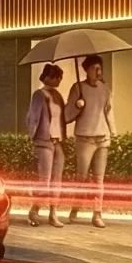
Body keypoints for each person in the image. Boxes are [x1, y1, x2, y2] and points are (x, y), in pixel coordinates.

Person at [64, 54, 115, 228]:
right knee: (82, 178)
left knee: (99, 179)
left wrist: (113, 132)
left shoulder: (105, 89)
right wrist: (77, 106)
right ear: (86, 70)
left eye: (100, 68)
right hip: (85, 139)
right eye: (94, 68)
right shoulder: (78, 88)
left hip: (102, 138)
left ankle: (97, 214)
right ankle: (75, 208)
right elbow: (66, 115)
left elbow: (109, 112)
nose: (98, 71)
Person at [25, 63, 68, 226]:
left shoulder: (57, 96)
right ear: (48, 77)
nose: (59, 80)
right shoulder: (38, 95)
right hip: (44, 141)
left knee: (57, 180)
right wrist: (33, 136)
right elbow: (32, 117)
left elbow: (64, 117)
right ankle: (35, 210)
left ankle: (53, 213)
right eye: (57, 77)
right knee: (45, 180)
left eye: (60, 77)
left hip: (58, 142)